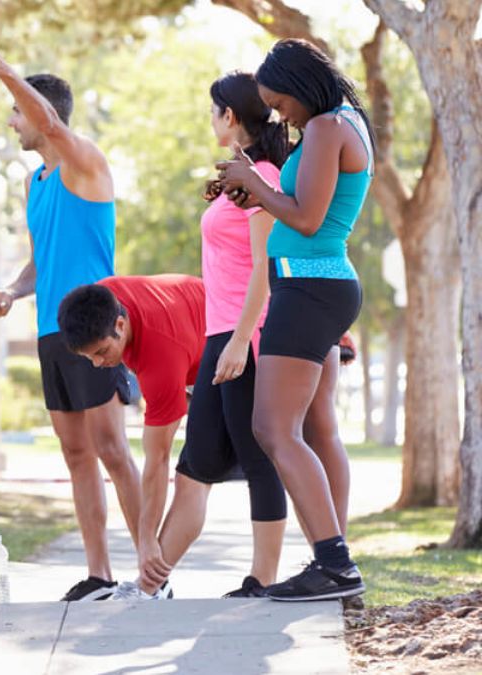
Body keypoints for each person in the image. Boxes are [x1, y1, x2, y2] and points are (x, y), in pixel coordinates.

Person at [0, 38, 143, 603]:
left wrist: (1, 69)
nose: (14, 121)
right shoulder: (36, 182)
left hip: (96, 329)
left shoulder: (84, 162)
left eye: (18, 111)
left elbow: (47, 121)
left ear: (42, 114)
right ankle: (100, 575)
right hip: (52, 332)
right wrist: (13, 291)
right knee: (76, 457)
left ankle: (152, 573)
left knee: (113, 452)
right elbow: (43, 257)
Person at [115, 72, 291, 601]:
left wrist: (240, 342)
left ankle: (263, 581)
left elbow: (264, 267)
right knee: (195, 466)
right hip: (220, 334)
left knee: (260, 458)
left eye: (214, 111)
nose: (210, 120)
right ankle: (151, 583)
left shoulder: (262, 176)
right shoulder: (242, 174)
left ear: (230, 116)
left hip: (246, 336)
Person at [216, 38, 374, 601]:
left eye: (281, 103)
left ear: (302, 86)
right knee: (309, 428)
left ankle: (334, 564)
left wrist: (256, 182)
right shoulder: (335, 124)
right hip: (313, 284)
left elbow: (308, 219)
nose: (280, 115)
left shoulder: (330, 127)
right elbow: (305, 208)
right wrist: (255, 195)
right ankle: (333, 560)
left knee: (272, 428)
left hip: (311, 285)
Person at [58, 275, 206, 600]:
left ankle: (150, 587)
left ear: (121, 325)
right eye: (89, 358)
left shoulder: (160, 356)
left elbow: (157, 459)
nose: (98, 364)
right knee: (198, 474)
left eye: (101, 351)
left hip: (236, 349)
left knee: (196, 475)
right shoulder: (101, 298)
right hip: (197, 330)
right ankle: (151, 587)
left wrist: (147, 538)